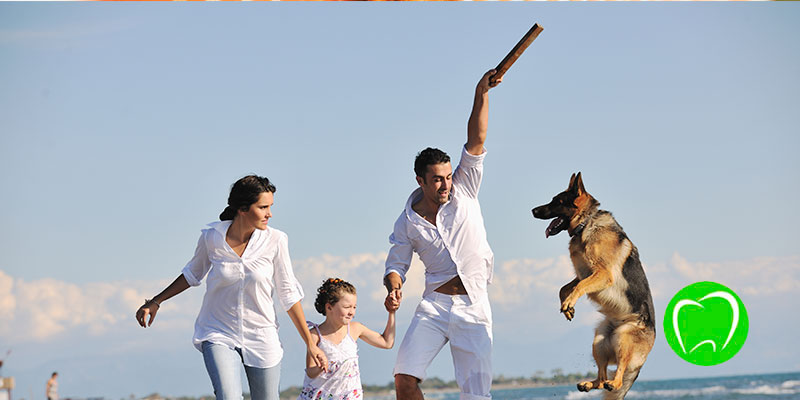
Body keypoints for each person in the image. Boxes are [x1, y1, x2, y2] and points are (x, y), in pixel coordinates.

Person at [135, 175, 328, 400]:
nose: (269, 214)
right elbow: (192, 274)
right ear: (243, 209)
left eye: (270, 207)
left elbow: (288, 294)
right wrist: (156, 301)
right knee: (228, 396)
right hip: (219, 331)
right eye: (263, 207)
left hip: (261, 335)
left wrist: (310, 345)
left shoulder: (276, 240)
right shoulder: (212, 237)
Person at [383, 69, 501, 400]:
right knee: (404, 379)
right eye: (437, 179)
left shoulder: (465, 188)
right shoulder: (406, 221)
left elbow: (476, 140)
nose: (446, 184)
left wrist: (482, 93)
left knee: (476, 395)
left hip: (473, 305)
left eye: (448, 177)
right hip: (433, 305)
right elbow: (396, 264)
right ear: (420, 180)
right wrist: (394, 288)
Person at [298, 278, 396, 400]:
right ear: (329, 307)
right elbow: (310, 372)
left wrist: (391, 312)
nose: (351, 312)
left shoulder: (355, 329)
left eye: (354, 307)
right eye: (347, 307)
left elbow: (387, 342)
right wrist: (320, 367)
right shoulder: (315, 335)